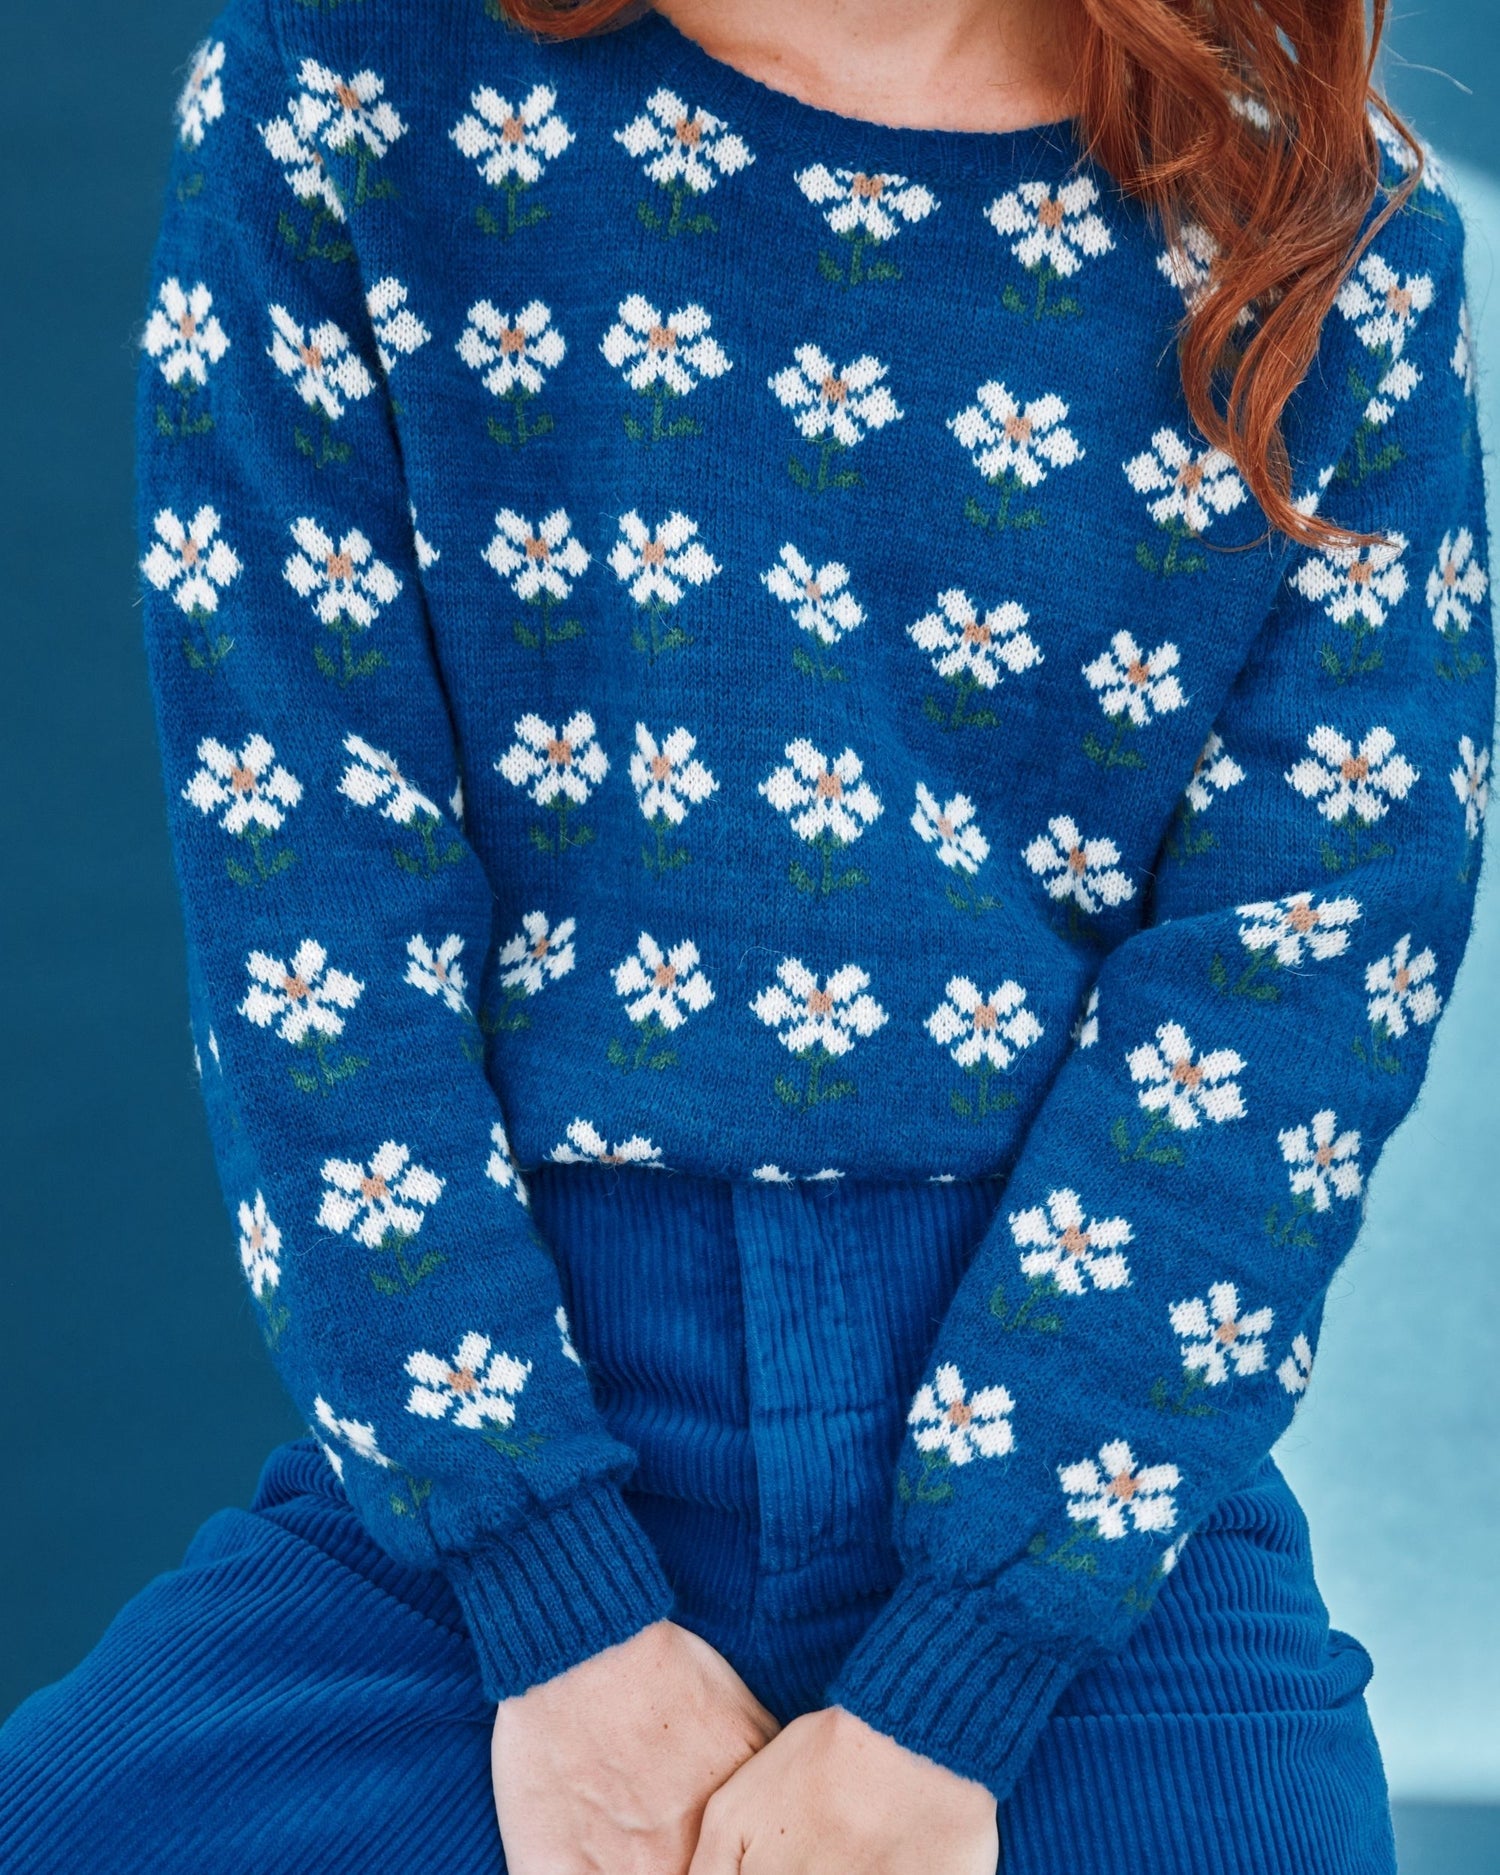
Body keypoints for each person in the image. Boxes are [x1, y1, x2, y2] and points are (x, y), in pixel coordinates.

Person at [0, 0, 1491, 1867]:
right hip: (503, 1445)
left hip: (1088, 1525)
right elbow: (308, 877)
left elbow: (1300, 984)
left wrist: (961, 1679)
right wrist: (553, 1601)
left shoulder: (1325, 240)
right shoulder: (350, 86)